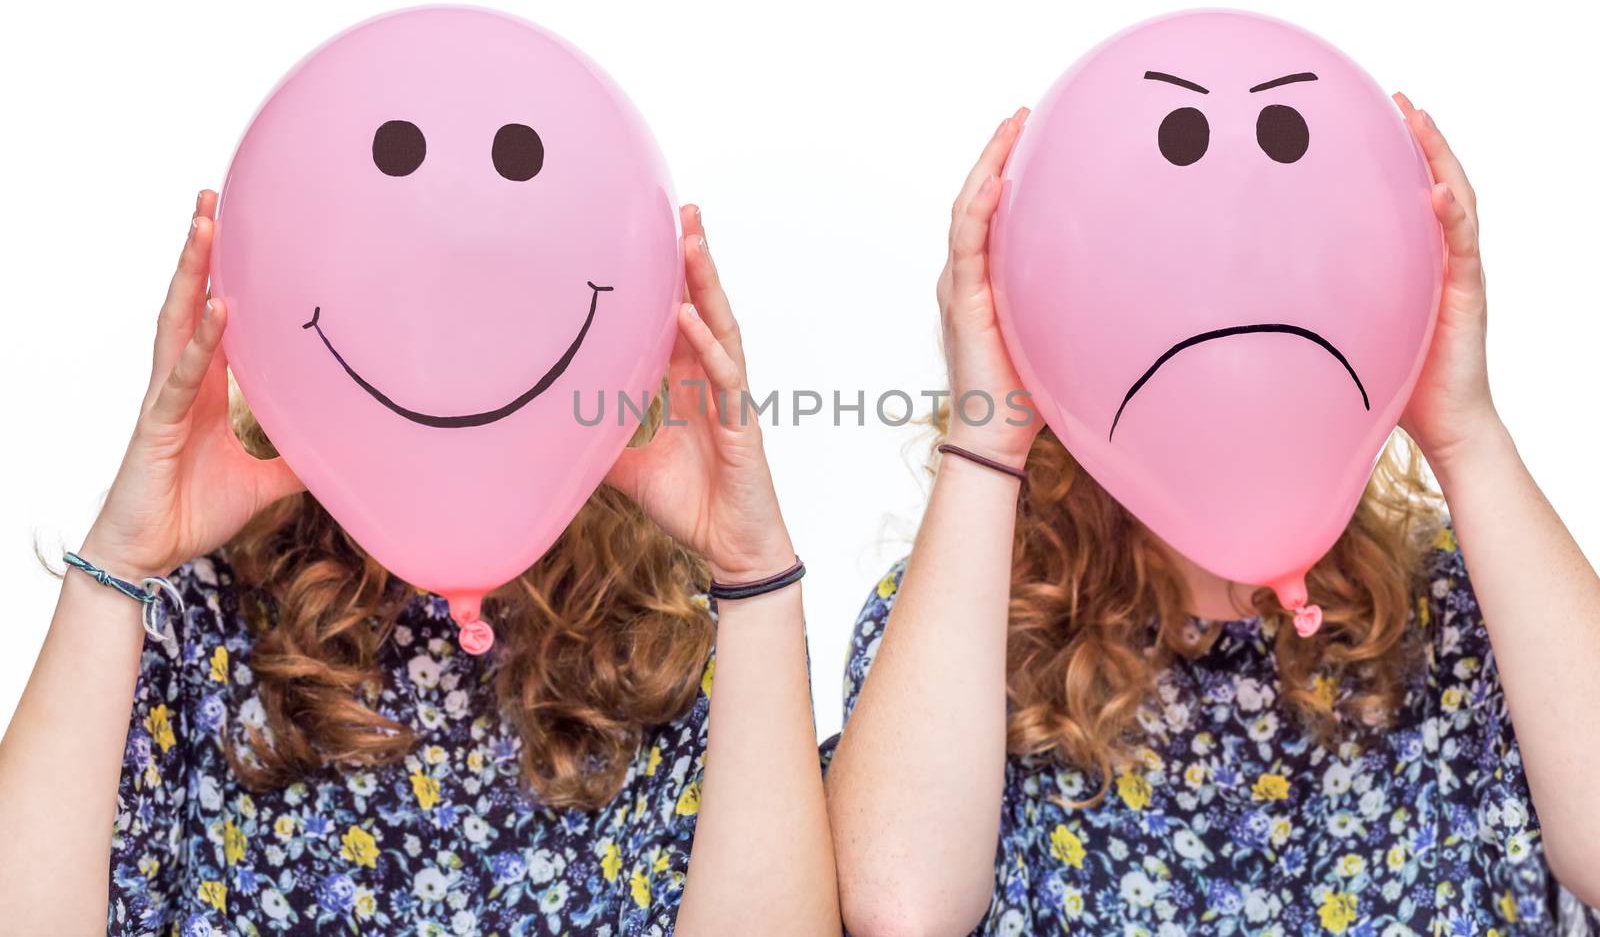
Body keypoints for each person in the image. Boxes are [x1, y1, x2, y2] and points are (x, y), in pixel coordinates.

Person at [823, 104, 1600, 935]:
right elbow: (897, 909)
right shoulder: (967, 627)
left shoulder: (1464, 610)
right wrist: (987, 433)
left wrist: (1464, 429)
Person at [0, 194, 839, 936]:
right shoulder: (207, 613)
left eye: (498, 292)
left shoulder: (669, 641)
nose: (453, 346)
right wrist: (119, 559)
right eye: (403, 289)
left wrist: (752, 569)